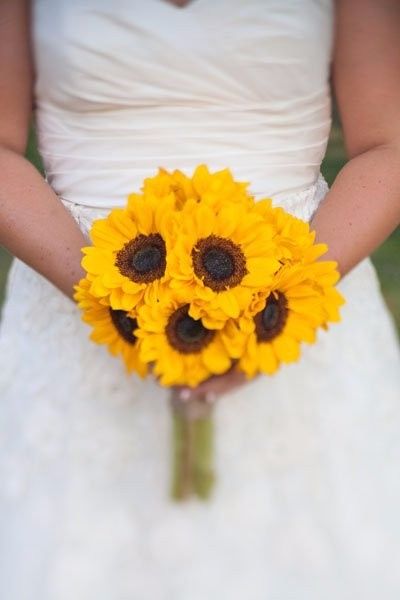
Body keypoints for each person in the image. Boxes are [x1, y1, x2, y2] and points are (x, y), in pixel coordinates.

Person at [1, 0, 400, 598]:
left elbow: (388, 144)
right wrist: (107, 296)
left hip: (300, 287)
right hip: (76, 294)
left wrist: (278, 304)